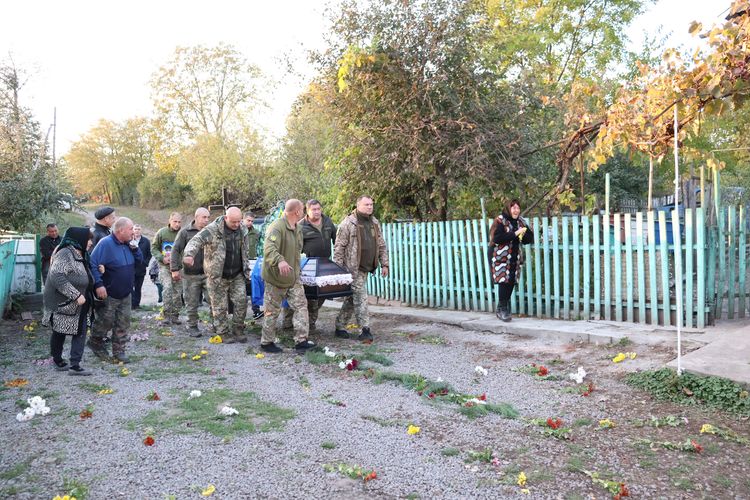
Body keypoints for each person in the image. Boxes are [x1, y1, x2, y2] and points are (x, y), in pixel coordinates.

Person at [183, 207, 255, 344]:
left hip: (237, 274)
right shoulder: (212, 229)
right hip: (217, 276)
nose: (236, 224)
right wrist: (189, 255)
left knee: (241, 302)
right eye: (233, 222)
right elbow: (195, 241)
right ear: (226, 218)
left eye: (239, 221)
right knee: (219, 306)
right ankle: (223, 332)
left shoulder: (242, 229)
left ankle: (238, 329)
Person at [260, 199, 314, 353]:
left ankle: (301, 341)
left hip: (293, 277)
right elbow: (269, 249)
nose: (304, 211)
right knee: (272, 310)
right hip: (276, 278)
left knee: (301, 306)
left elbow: (297, 251)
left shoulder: (297, 227)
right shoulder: (277, 227)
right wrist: (280, 261)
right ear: (297, 211)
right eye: (302, 209)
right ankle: (267, 342)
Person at [334, 196, 389, 342]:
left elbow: (381, 244)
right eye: (366, 204)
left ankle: (340, 326)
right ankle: (364, 330)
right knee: (361, 297)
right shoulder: (348, 223)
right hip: (351, 269)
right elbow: (339, 247)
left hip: (366, 267)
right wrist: (339, 269)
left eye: (371, 204)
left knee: (352, 299)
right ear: (358, 205)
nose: (370, 207)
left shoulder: (374, 222)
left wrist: (385, 264)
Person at [87, 217, 142, 363]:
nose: (133, 232)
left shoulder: (129, 244)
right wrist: (98, 284)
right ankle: (96, 343)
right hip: (109, 293)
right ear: (121, 230)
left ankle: (119, 351)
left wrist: (135, 249)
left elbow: (140, 261)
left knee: (123, 323)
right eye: (130, 229)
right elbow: (93, 263)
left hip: (126, 292)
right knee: (104, 322)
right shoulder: (106, 243)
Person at [42, 227, 95, 375]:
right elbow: (57, 276)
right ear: (79, 240)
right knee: (60, 331)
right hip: (62, 301)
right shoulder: (65, 253)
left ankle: (75, 365)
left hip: (82, 302)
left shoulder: (81, 253)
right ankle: (57, 360)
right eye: (88, 239)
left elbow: (84, 272)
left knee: (80, 330)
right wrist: (75, 295)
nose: (90, 243)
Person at [282, 199, 336, 333]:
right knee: (302, 297)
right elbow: (294, 247)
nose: (317, 212)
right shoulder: (300, 225)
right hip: (307, 267)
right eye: (314, 209)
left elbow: (337, 240)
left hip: (324, 266)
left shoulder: (328, 222)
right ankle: (289, 324)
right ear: (307, 210)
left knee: (321, 295)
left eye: (319, 209)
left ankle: (310, 323)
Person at [489, 199, 534, 322]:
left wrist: (524, 234)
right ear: (508, 209)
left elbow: (528, 240)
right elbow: (497, 238)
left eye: (518, 208)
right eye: (513, 208)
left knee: (511, 282)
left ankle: (501, 308)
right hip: (499, 256)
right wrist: (515, 234)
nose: (516, 210)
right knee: (504, 281)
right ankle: (503, 309)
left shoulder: (521, 221)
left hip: (514, 257)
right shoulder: (500, 220)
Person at [171, 207, 213, 336]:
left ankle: (216, 325)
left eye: (208, 218)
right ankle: (192, 326)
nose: (206, 220)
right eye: (204, 217)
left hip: (208, 274)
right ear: (196, 217)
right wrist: (174, 269)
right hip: (191, 274)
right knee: (191, 302)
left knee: (214, 301)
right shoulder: (185, 232)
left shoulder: (211, 231)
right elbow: (175, 250)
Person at [152, 212, 183, 325]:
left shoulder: (183, 233)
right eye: (175, 221)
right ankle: (166, 314)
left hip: (179, 267)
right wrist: (161, 258)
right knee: (168, 288)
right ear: (170, 220)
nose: (177, 224)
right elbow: (154, 248)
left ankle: (175, 316)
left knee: (178, 291)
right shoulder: (161, 232)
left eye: (179, 222)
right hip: (165, 266)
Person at [243, 211, 263, 320]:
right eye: (248, 220)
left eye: (252, 221)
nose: (250, 223)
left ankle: (256, 311)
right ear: (243, 219)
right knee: (242, 289)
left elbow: (259, 247)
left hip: (253, 263)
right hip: (241, 263)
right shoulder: (238, 231)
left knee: (254, 286)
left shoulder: (256, 233)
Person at [131, 224, 152, 309]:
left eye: (138, 229)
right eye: (135, 229)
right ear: (133, 230)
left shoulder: (146, 241)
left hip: (141, 269)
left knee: (138, 287)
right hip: (131, 268)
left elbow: (149, 254)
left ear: (141, 230)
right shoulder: (129, 240)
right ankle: (132, 304)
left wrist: (145, 263)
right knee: (130, 287)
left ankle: (137, 304)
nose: (137, 231)